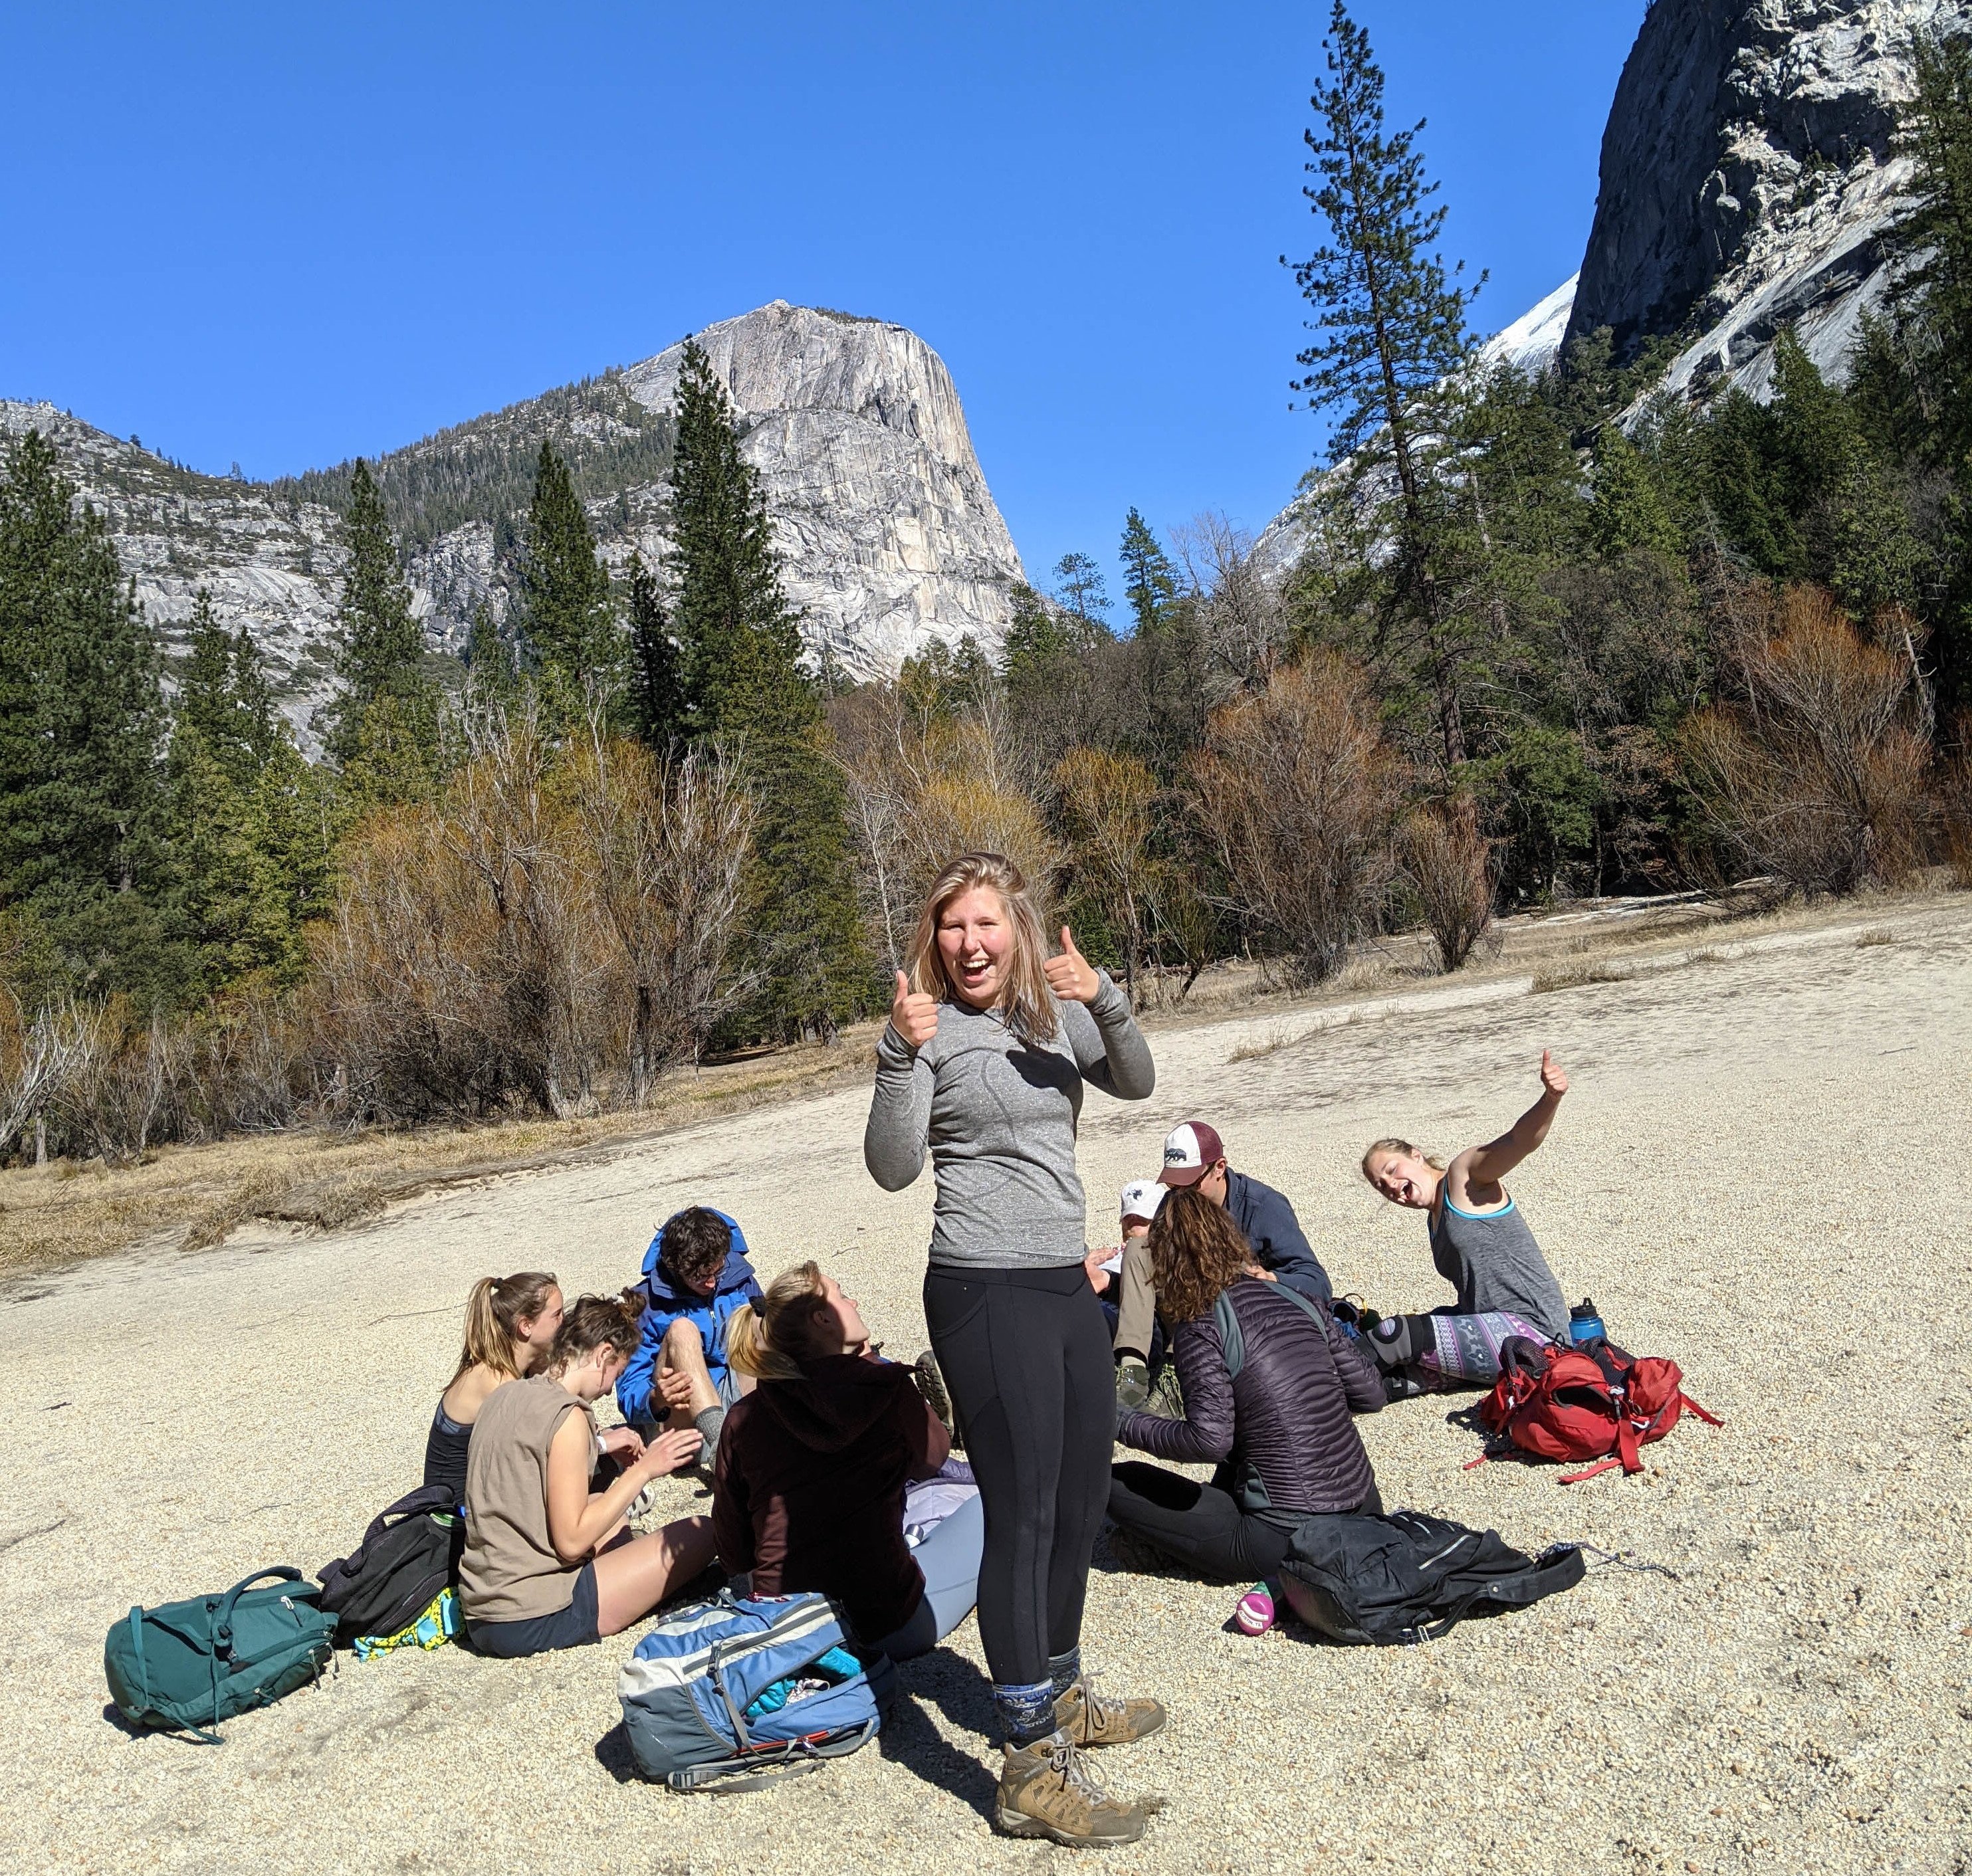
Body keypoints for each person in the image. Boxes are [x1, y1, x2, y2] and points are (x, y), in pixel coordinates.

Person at [864, 850, 1162, 1848]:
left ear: (1016, 930)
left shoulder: (1051, 1012)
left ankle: (1064, 1687)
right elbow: (892, 1168)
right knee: (1022, 1514)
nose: (968, 943)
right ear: (933, 939)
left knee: (1081, 1496)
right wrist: (899, 1057)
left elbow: (1134, 1078)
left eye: (985, 923)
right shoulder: (923, 1027)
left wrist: (1103, 995)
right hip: (979, 1287)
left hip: (1058, 1279)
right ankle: (1027, 1760)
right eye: (951, 927)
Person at [1109, 1185, 1384, 1638]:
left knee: (1114, 1484)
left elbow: (1207, 1440)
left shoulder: (1201, 1323)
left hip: (1281, 1536)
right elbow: (1371, 1394)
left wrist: (1120, 1419)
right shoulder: (1300, 1300)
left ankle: (1178, 1551)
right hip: (1363, 1507)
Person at [712, 1261, 984, 1662]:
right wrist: (871, 1366)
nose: (854, 1301)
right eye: (841, 1295)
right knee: (987, 1507)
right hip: (886, 1624)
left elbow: (735, 1553)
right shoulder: (886, 1388)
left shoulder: (743, 1418)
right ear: (822, 1319)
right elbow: (934, 1458)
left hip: (787, 1630)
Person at [459, 1291, 718, 1659]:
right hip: (533, 1614)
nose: (611, 1387)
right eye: (617, 1372)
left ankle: (635, 1568)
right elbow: (571, 1543)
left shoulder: (504, 1396)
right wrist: (644, 1470)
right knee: (702, 1533)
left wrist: (602, 1449)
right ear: (602, 1355)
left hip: (483, 1607)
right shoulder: (568, 1418)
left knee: (601, 1503)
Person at [1356, 1051, 1573, 1396]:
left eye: (1392, 1170)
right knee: (1389, 1380)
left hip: (1535, 1335)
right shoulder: (1433, 1220)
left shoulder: (1464, 1179)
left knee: (1395, 1336)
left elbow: (1518, 1141)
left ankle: (1314, 1393)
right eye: (1381, 1185)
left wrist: (1551, 1098)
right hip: (1490, 1330)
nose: (1391, 1185)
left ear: (1415, 1155)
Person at [425, 1272, 643, 1509]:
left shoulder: (517, 1364)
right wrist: (600, 1444)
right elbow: (539, 1454)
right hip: (459, 1509)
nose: (564, 1321)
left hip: (483, 1489)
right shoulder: (498, 1382)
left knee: (605, 1450)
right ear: (526, 1326)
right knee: (594, 1455)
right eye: (556, 1315)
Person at [615, 1206, 763, 1455]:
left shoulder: (740, 1281)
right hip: (679, 1423)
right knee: (682, 1330)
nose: (712, 1282)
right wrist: (655, 1399)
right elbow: (628, 1389)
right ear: (675, 1267)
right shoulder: (647, 1303)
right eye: (699, 1276)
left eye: (717, 1271)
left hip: (736, 1401)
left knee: (761, 1321)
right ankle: (721, 1448)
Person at [1156, 1120, 1333, 1303]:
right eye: (1173, 1185)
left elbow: (1318, 1284)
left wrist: (1273, 1280)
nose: (1182, 1194)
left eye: (1192, 1184)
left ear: (1219, 1167)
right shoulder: (1171, 1203)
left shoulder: (1264, 1206)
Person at [1082, 1179, 1165, 1409]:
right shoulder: (1110, 1254)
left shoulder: (1165, 1255)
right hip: (1098, 1308)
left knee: (1095, 1319)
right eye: (1130, 1219)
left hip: (1138, 1323)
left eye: (1143, 1220)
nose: (1134, 1226)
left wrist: (1107, 1281)